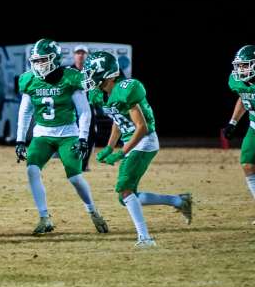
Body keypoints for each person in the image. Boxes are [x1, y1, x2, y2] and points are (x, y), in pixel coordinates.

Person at [82, 51, 192, 248]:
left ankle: (145, 239)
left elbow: (142, 127)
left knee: (124, 188)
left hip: (144, 142)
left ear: (107, 73)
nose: (88, 77)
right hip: (131, 141)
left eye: (91, 72)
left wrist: (122, 152)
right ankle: (178, 201)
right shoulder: (103, 93)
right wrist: (109, 147)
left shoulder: (127, 88)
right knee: (126, 197)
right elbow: (118, 120)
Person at [15, 38, 108, 235]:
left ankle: (93, 211)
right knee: (32, 170)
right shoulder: (29, 79)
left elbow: (84, 111)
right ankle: (44, 217)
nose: (39, 64)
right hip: (42, 134)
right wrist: (20, 139)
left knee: (74, 177)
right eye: (36, 60)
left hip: (68, 133)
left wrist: (83, 138)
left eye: (43, 60)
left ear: (55, 59)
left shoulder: (70, 77)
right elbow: (25, 112)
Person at [222, 45, 255, 225]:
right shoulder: (237, 81)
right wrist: (233, 122)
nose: (241, 69)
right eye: (240, 65)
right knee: (248, 165)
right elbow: (244, 97)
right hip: (254, 126)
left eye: (245, 65)